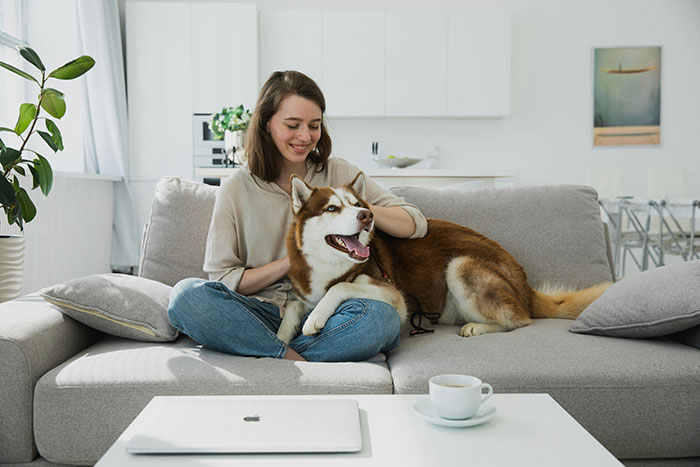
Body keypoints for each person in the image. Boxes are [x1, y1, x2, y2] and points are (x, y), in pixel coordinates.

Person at [168, 71, 427, 362]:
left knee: (381, 319)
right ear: (267, 123)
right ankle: (292, 356)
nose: (305, 137)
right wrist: (290, 262)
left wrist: (352, 209)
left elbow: (414, 222)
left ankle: (274, 356)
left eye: (314, 126)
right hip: (262, 313)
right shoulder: (235, 190)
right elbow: (224, 279)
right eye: (293, 125)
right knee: (185, 296)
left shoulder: (338, 174)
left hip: (330, 312)